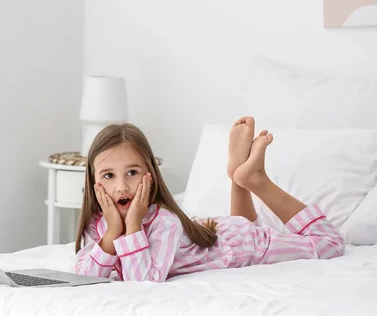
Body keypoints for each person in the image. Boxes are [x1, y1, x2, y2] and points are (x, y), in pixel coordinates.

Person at [73, 117, 344, 282]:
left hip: (242, 246)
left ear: (150, 175)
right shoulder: (99, 224)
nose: (121, 186)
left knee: (328, 244)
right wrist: (111, 236)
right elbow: (83, 277)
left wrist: (132, 227)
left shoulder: (165, 222)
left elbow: (143, 281)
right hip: (215, 230)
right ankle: (238, 177)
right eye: (108, 175)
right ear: (93, 181)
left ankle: (255, 180)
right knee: (243, 222)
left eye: (132, 172)